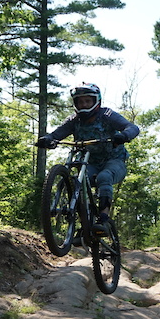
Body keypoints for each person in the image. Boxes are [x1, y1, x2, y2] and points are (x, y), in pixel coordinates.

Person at [36, 82, 140, 236]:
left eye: (87, 101)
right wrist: (47, 139)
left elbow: (132, 127)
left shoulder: (107, 114)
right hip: (89, 163)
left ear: (95, 101)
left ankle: (103, 219)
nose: (84, 105)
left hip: (114, 161)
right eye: (80, 101)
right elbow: (57, 133)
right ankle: (84, 225)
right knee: (77, 181)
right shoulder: (74, 120)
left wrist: (124, 135)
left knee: (104, 177)